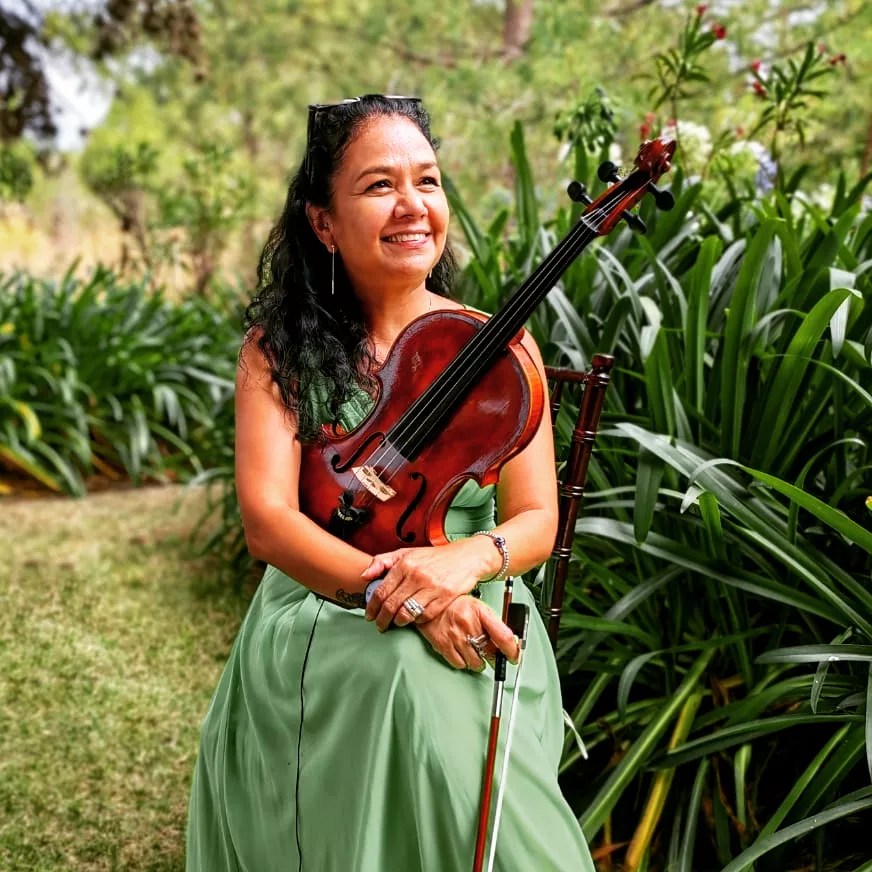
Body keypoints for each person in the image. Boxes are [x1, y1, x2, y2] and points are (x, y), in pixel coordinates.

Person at [186, 93, 595, 872]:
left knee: (435, 676)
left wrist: (464, 564)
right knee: (401, 668)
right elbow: (269, 523)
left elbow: (536, 518)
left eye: (427, 181)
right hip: (326, 596)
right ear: (324, 222)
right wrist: (406, 598)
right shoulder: (280, 350)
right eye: (379, 185)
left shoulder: (504, 350)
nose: (412, 204)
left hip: (474, 595)